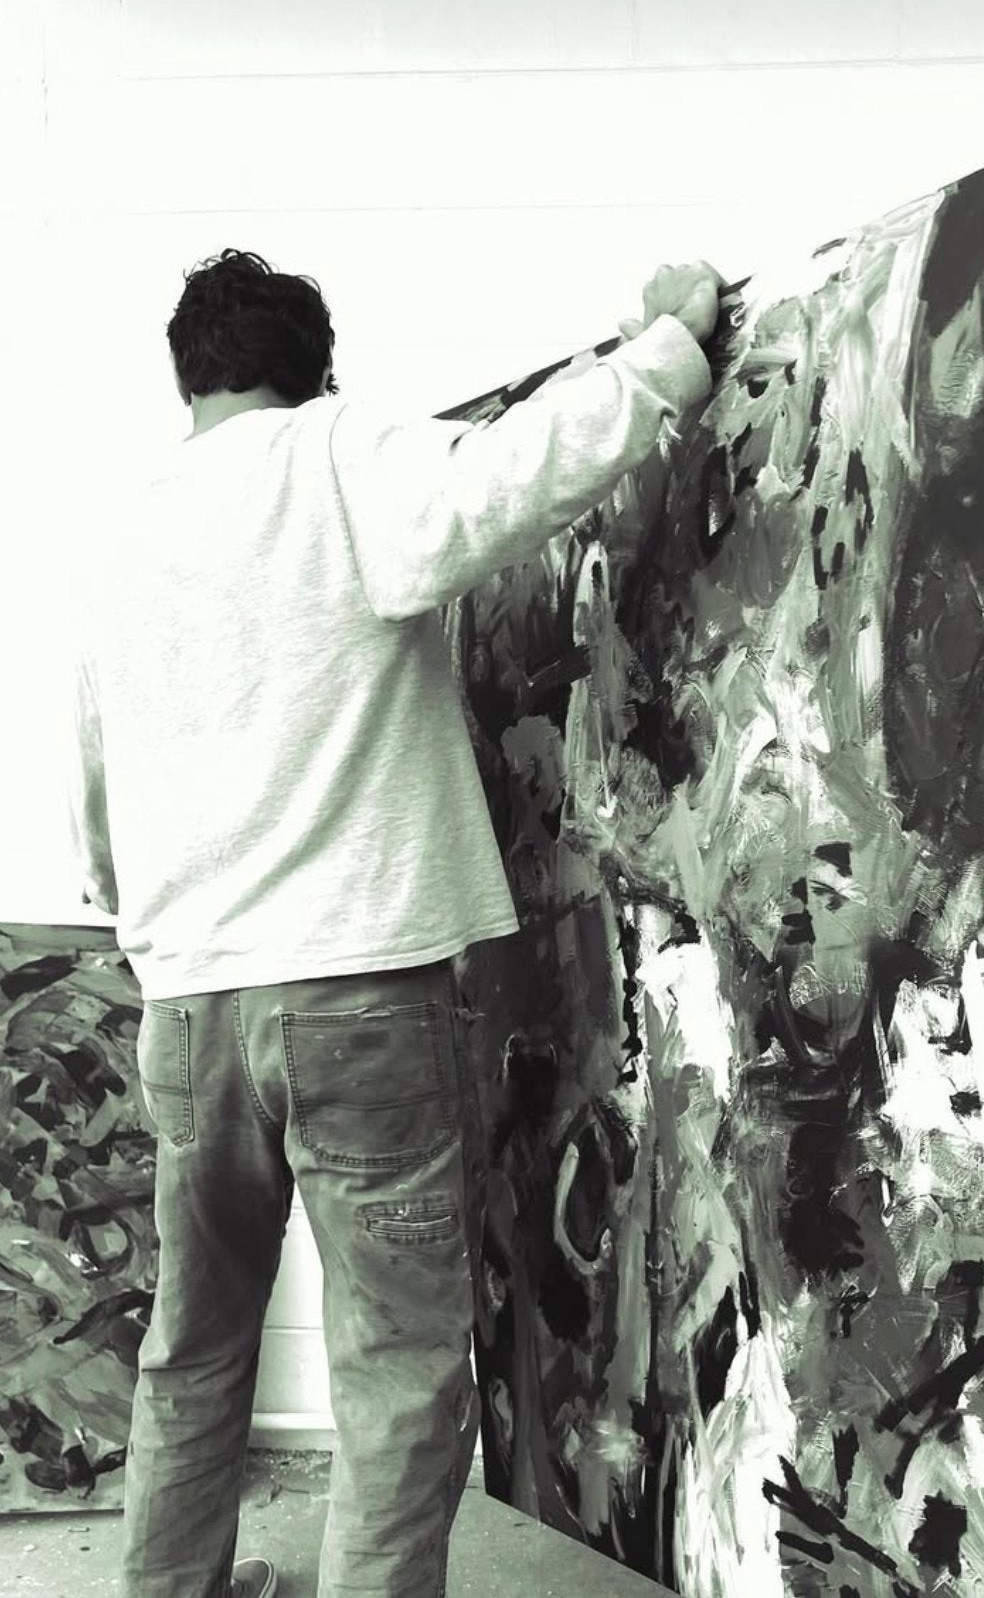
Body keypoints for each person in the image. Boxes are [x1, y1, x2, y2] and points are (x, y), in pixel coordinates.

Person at [68, 248, 720, 1598]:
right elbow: (509, 482)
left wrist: (147, 916)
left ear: (188, 381)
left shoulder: (124, 535)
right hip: (355, 993)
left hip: (187, 1006)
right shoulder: (338, 455)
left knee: (192, 1348)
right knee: (396, 1364)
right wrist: (666, 354)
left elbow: (98, 785)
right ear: (318, 370)